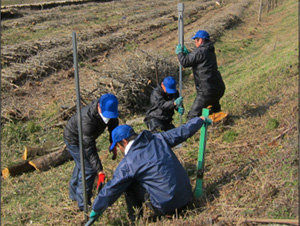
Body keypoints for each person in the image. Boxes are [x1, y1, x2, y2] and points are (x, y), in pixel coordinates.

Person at [88, 116, 211, 224]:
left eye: (118, 146)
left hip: (167, 206)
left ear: (123, 142)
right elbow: (182, 132)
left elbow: (112, 188)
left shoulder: (129, 162)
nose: (120, 150)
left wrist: (97, 207)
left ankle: (135, 220)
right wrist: (199, 120)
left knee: (128, 184)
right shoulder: (158, 139)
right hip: (186, 197)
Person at [63, 93, 119, 211]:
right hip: (74, 139)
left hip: (86, 139)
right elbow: (90, 149)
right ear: (99, 106)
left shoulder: (110, 109)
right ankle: (84, 206)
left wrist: (112, 142)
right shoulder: (87, 119)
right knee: (88, 169)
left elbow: (113, 124)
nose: (108, 117)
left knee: (81, 164)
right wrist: (99, 170)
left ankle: (74, 194)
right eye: (106, 114)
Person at [176, 30, 226, 121]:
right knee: (214, 111)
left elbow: (185, 62)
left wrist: (179, 53)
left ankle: (192, 133)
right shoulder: (210, 50)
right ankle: (218, 124)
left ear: (201, 40)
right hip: (218, 88)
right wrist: (189, 55)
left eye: (196, 40)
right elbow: (197, 61)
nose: (195, 42)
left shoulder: (200, 51)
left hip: (206, 90)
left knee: (192, 116)